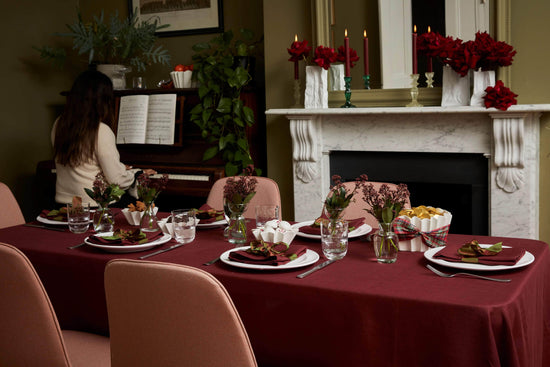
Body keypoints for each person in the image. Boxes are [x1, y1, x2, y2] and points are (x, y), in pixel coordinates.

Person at [51, 69, 156, 206]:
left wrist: (119, 168)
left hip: (64, 205)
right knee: (147, 205)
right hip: (94, 207)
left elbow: (86, 164)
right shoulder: (101, 131)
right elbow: (117, 181)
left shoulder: (59, 124)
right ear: (103, 101)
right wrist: (138, 174)